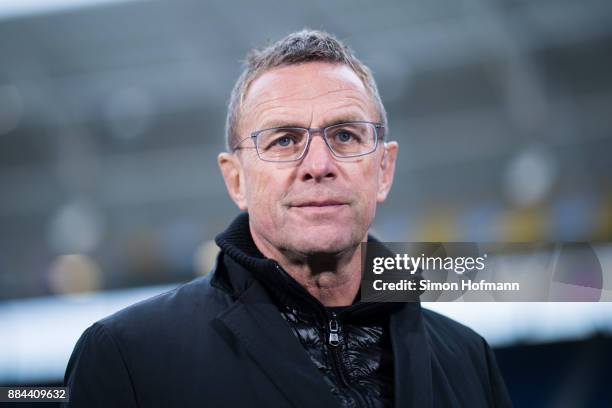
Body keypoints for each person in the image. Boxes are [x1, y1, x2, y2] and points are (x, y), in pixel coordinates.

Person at [63, 29, 512, 407]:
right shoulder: (128, 356)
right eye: (283, 140)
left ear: (384, 169)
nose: (319, 164)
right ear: (236, 179)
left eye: (345, 134)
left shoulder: (468, 358)